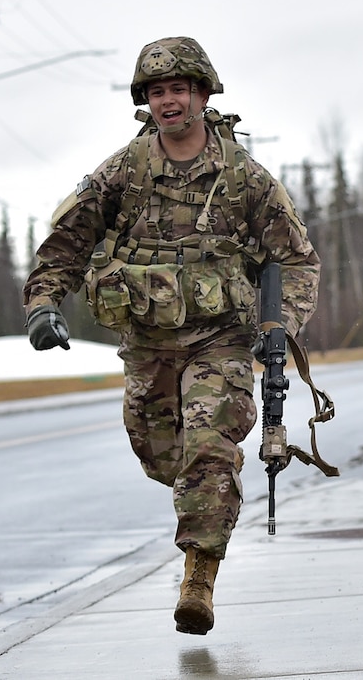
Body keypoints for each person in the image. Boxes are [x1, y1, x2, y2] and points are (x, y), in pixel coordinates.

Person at [22, 37, 320, 635]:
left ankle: (199, 577)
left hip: (221, 340)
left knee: (209, 448)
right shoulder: (122, 171)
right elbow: (68, 242)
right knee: (163, 456)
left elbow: (295, 260)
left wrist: (279, 327)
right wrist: (43, 303)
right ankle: (200, 496)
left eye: (178, 90)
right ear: (146, 102)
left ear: (203, 94)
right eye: (157, 92)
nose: (168, 102)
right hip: (146, 341)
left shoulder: (243, 177)